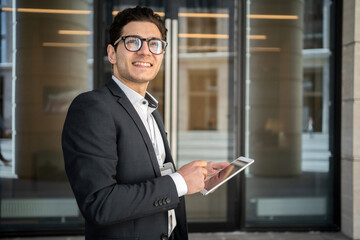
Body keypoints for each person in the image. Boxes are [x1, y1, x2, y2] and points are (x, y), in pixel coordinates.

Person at [62, 6, 228, 240]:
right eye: (133, 42)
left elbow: (152, 176)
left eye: (154, 44)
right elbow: (99, 204)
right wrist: (179, 182)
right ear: (112, 53)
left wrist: (196, 177)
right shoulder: (92, 108)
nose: (145, 51)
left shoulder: (150, 111)